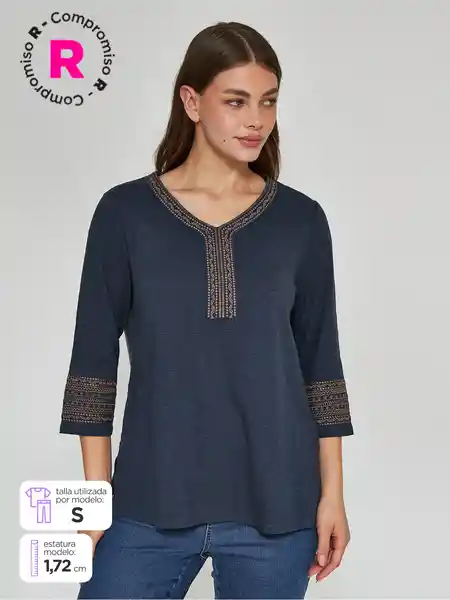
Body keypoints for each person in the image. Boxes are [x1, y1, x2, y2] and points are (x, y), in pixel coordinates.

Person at [59, 20, 354, 600]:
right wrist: (94, 504)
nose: (256, 120)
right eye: (236, 101)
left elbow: (322, 367)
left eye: (268, 101)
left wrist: (333, 495)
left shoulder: (300, 220)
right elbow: (91, 366)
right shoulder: (125, 213)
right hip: (146, 502)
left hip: (278, 508)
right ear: (191, 102)